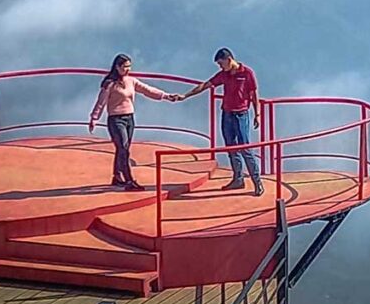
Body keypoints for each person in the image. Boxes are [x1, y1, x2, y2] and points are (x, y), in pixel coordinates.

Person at [171, 48, 264, 196]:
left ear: (229, 59)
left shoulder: (247, 73)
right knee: (231, 148)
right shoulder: (224, 75)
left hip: (241, 115)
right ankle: (238, 179)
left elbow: (254, 94)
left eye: (221, 64)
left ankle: (257, 181)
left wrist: (257, 114)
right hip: (227, 114)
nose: (220, 67)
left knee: (246, 148)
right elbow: (206, 85)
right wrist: (185, 95)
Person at [89, 53, 172, 191]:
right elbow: (101, 102)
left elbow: (147, 90)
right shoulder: (109, 84)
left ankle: (117, 176)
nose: (128, 69)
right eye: (125, 67)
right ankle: (129, 181)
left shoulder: (131, 81)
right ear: (117, 67)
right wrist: (94, 118)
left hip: (129, 119)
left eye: (129, 66)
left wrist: (166, 96)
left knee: (123, 149)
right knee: (123, 149)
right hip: (115, 120)